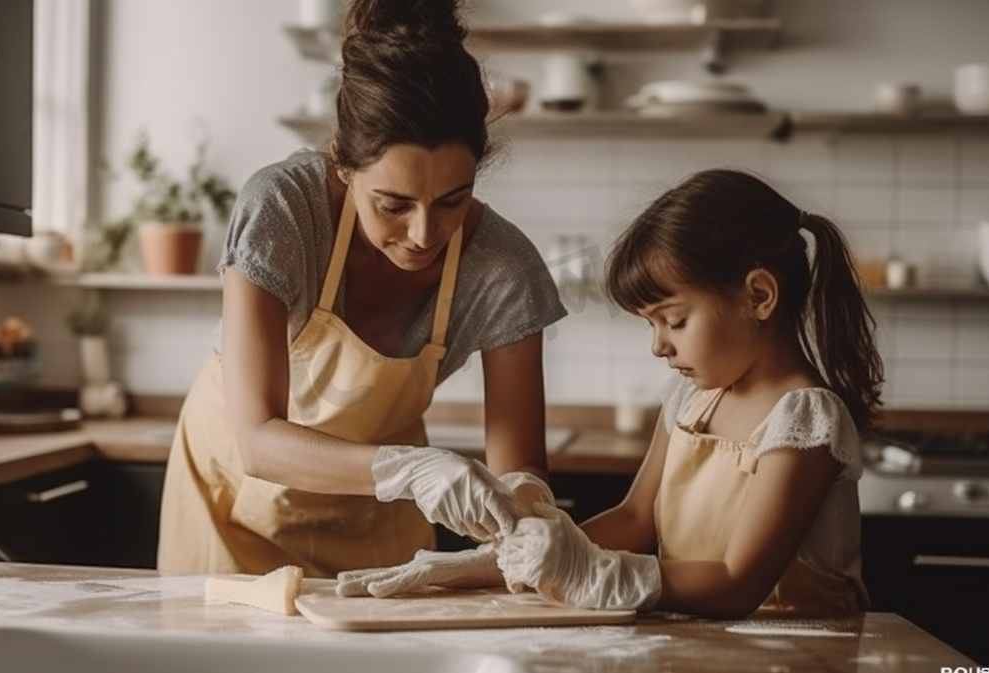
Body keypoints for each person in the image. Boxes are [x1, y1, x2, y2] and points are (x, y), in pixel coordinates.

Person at [339, 168, 883, 618]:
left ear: (759, 296)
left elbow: (737, 582)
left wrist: (590, 572)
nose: (659, 348)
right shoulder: (692, 401)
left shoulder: (805, 419)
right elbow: (635, 518)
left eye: (674, 320)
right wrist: (497, 560)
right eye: (652, 326)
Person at [156, 0, 566, 578]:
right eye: (393, 204)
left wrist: (524, 509)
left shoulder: (504, 267)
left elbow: (522, 467)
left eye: (453, 200)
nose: (424, 234)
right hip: (232, 502)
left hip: (377, 520)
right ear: (342, 164)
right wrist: (414, 470)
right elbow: (257, 440)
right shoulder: (283, 210)